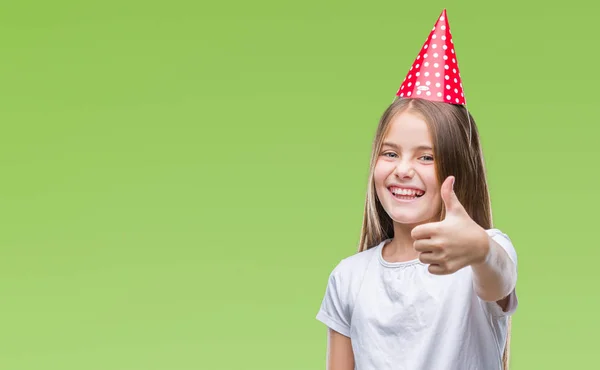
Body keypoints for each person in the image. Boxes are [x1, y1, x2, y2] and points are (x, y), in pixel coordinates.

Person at [315, 9, 518, 370]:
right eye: (390, 153)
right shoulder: (348, 278)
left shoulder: (484, 255)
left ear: (457, 169)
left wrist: (478, 248)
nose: (403, 170)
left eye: (427, 157)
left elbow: (499, 276)